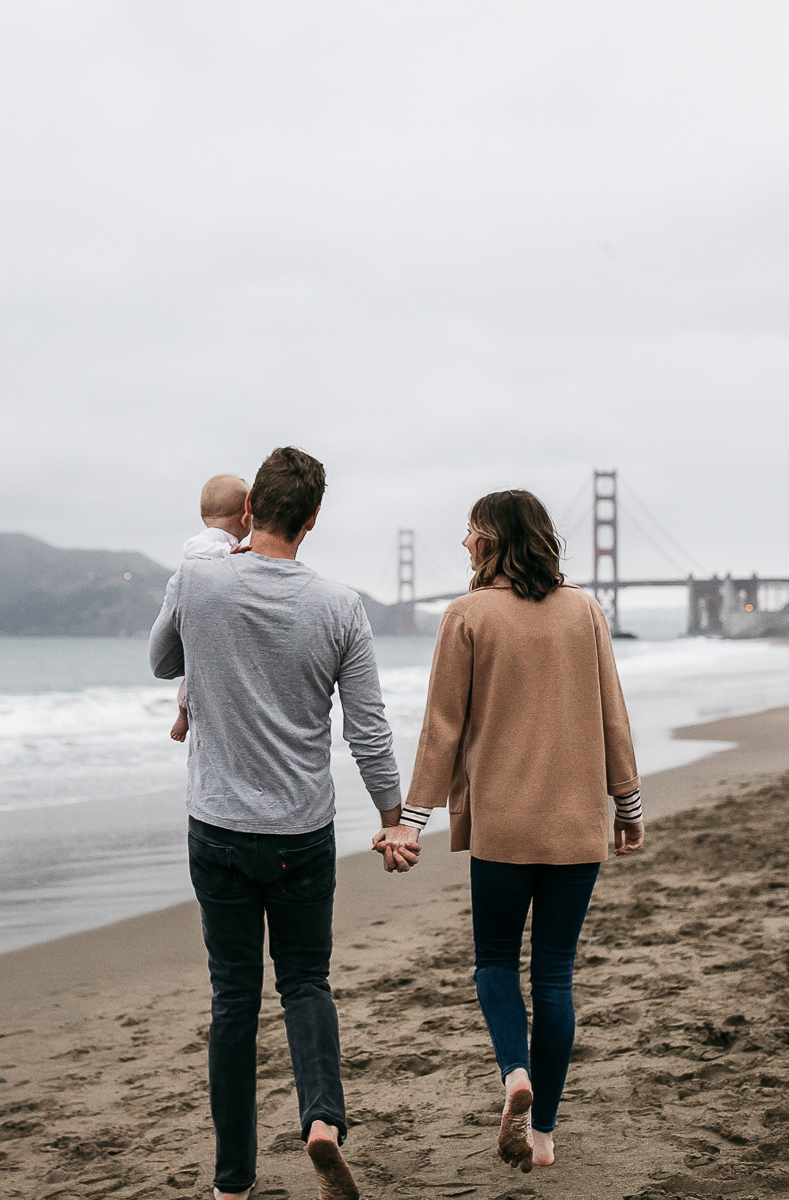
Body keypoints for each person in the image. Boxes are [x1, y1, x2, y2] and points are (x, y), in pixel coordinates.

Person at [149, 447, 404, 1200]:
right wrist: (394, 818)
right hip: (301, 831)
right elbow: (369, 730)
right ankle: (322, 1120)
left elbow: (164, 661)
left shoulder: (197, 580)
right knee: (304, 982)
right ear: (314, 520)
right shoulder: (340, 606)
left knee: (234, 998)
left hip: (218, 829)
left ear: (251, 508)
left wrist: (193, 586)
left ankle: (232, 1183)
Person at [373, 489, 643, 1174]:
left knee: (494, 961)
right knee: (555, 975)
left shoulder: (466, 616)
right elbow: (613, 711)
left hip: (503, 826)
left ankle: (513, 1072)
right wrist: (628, 806)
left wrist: (411, 821)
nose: (464, 544)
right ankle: (545, 1134)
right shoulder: (584, 610)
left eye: (470, 533)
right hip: (578, 823)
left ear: (491, 541)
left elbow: (443, 727)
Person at [169, 474, 253, 743]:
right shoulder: (214, 540)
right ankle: (183, 714)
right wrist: (228, 553)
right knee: (194, 677)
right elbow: (191, 547)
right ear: (245, 518)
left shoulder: (228, 543)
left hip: (209, 613)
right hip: (207, 613)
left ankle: (186, 712)